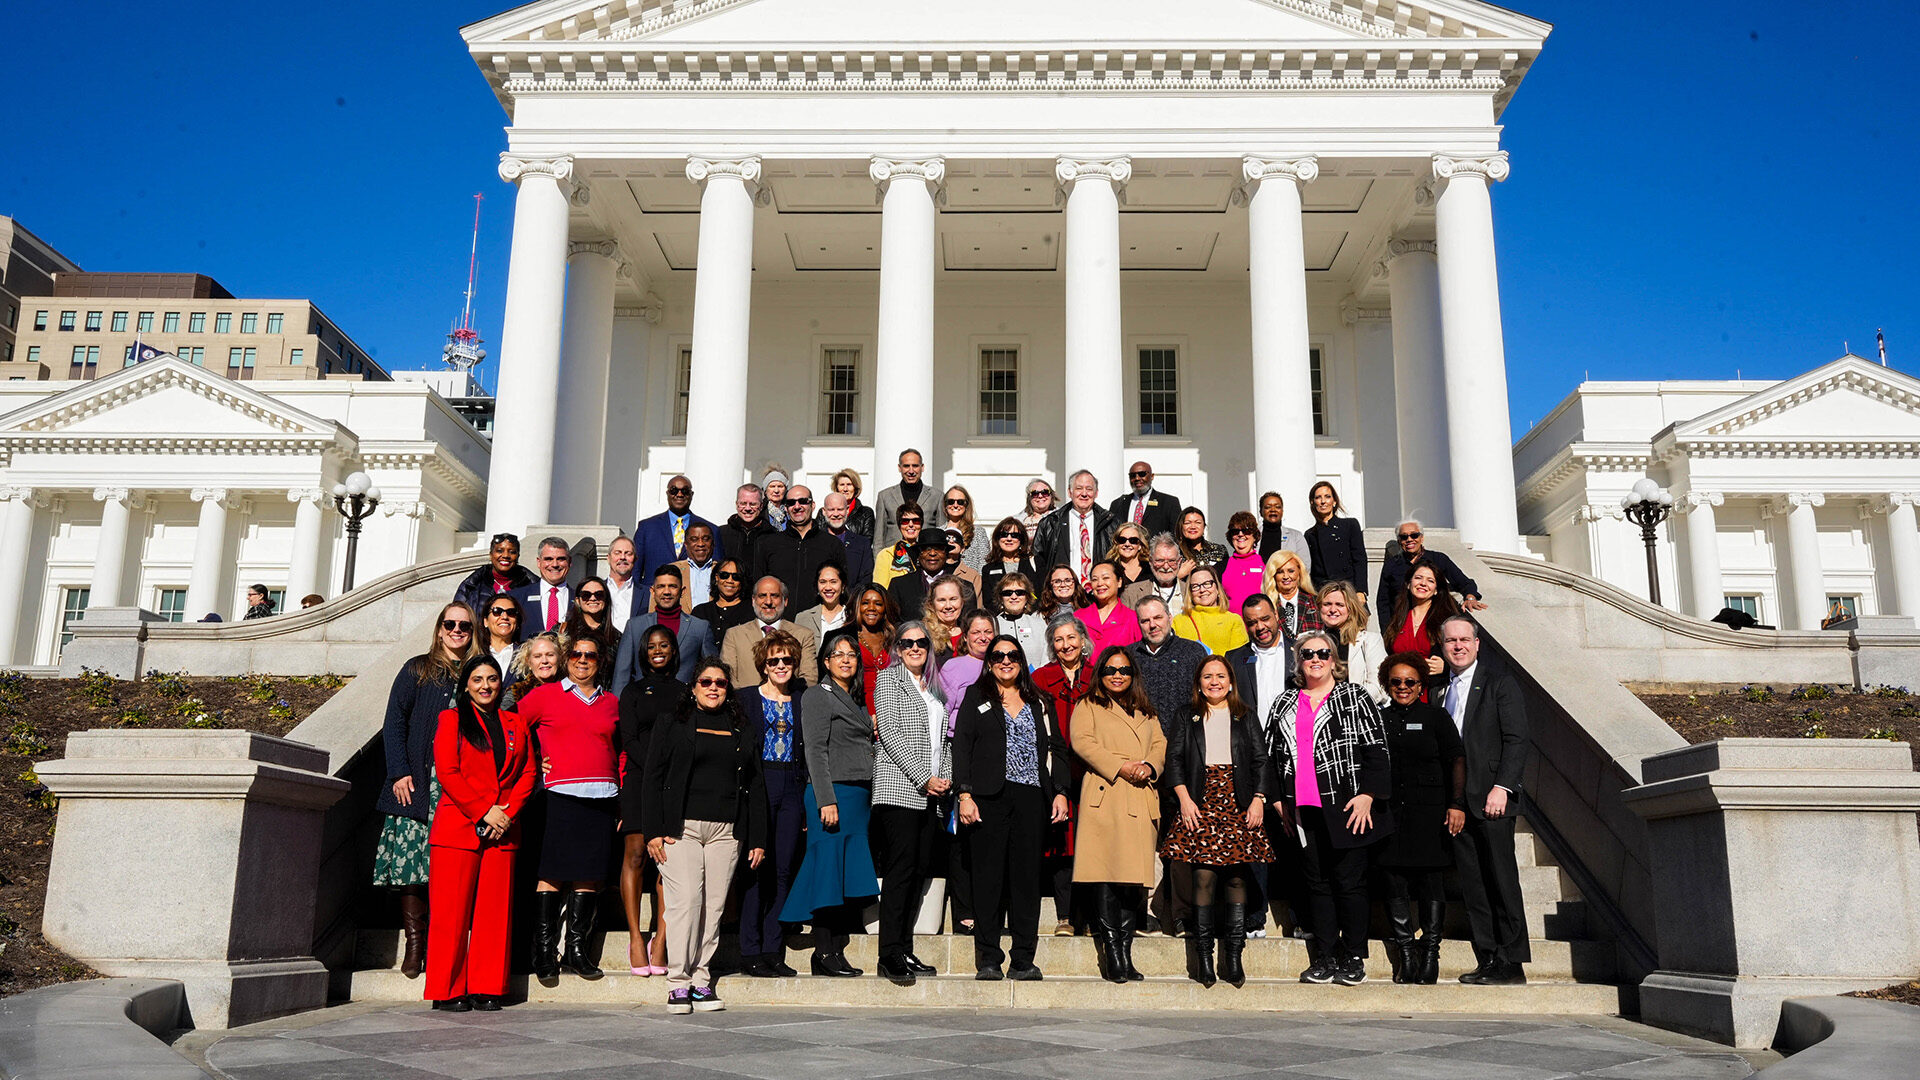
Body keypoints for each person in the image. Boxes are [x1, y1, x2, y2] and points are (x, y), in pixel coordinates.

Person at [1267, 630, 1392, 986]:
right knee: (1316, 884)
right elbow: (1271, 756)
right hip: (1302, 809)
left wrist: (1369, 794)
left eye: (1323, 653)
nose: (1315, 659)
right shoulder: (1284, 703)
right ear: (1298, 661)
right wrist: (1278, 800)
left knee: (1349, 883)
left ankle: (1353, 957)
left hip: (1348, 804)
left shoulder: (1353, 696)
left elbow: (1377, 748)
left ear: (1334, 659)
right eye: (1307, 654)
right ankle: (1324, 955)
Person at [643, 658, 768, 1014]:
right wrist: (653, 830)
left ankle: (701, 980)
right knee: (685, 906)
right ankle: (678, 984)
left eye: (720, 683)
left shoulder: (740, 727)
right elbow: (652, 777)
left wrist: (756, 837)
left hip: (726, 832)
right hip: (679, 830)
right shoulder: (673, 723)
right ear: (693, 687)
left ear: (728, 690)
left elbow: (755, 784)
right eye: (706, 682)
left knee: (713, 909)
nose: (713, 687)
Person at [953, 635, 1071, 980]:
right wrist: (964, 794)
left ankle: (1023, 958)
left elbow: (1057, 748)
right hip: (987, 799)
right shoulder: (976, 697)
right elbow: (962, 748)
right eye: (999, 655)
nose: (1006, 661)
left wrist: (1060, 791)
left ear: (1022, 661)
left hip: (1031, 798)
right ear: (989, 662)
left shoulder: (1040, 701)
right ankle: (988, 958)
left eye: (1013, 655)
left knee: (1025, 881)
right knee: (988, 880)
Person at [425, 654, 535, 1012]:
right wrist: (483, 810)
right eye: (477, 679)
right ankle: (447, 989)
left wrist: (505, 814)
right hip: (459, 827)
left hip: (502, 830)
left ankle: (488, 986)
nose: (485, 686)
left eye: (491, 679)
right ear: (466, 685)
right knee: (451, 915)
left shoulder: (515, 722)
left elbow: (529, 773)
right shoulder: (452, 719)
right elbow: (448, 771)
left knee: (494, 915)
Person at [374, 602, 478, 980]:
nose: (456, 630)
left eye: (464, 626)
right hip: (416, 782)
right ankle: (416, 943)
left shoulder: (476, 673)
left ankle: (445, 942)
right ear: (438, 629)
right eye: (449, 624)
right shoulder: (417, 669)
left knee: (448, 870)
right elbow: (394, 722)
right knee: (413, 869)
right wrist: (399, 771)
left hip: (457, 787)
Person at [1161, 655, 1272, 988]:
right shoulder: (1186, 715)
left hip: (1238, 800)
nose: (1214, 682)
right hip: (1199, 799)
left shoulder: (1245, 715)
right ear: (1198, 682)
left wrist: (1258, 800)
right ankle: (1204, 959)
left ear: (1230, 681)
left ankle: (1234, 959)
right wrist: (1184, 800)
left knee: (1237, 877)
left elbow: (1260, 761)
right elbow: (1175, 760)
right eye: (1207, 676)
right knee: (1204, 878)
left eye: (1220, 676)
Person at [516, 636, 621, 981]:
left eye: (590, 655)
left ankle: (577, 951)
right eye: (576, 653)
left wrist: (619, 783)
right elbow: (510, 730)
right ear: (567, 658)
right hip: (558, 795)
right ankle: (544, 951)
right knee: (552, 872)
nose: (582, 660)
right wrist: (532, 762)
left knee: (589, 874)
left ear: (599, 661)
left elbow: (620, 749)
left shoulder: (611, 702)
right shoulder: (544, 696)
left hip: (603, 796)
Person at [1435, 616, 1531, 986]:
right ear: (1442, 647)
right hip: (1457, 804)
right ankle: (1488, 956)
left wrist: (1503, 787)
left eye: (1464, 640)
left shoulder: (1499, 683)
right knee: (1473, 885)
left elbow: (1517, 739)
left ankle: (1513, 961)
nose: (1458, 646)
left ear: (1477, 644)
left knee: (1502, 881)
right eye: (1450, 641)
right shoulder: (1440, 689)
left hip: (1492, 800)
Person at [781, 631, 880, 977]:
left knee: (842, 877)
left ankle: (834, 951)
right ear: (825, 661)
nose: (846, 659)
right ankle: (823, 951)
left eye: (852, 654)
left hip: (857, 796)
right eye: (838, 654)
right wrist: (826, 799)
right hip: (832, 794)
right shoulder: (818, 695)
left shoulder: (853, 699)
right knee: (826, 874)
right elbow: (815, 750)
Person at [1070, 645, 1167, 984]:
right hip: (1106, 794)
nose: (1117, 675)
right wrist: (1121, 766)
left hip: (1140, 798)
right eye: (1111, 669)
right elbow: (1082, 742)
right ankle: (1112, 953)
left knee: (1132, 882)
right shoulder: (1089, 705)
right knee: (1107, 877)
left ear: (1133, 675)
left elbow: (1160, 745)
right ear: (1101, 673)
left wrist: (1150, 767)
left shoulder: (1147, 710)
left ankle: (1125, 952)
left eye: (1124, 670)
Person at [870, 620, 952, 984]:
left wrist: (945, 777)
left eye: (921, 643)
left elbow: (943, 741)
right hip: (899, 791)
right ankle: (888, 954)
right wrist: (924, 777)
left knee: (917, 871)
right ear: (898, 649)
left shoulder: (935, 688)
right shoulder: (889, 681)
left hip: (931, 796)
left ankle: (904, 947)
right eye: (907, 643)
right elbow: (889, 733)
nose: (915, 648)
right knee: (900, 874)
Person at [1377, 651, 1465, 985]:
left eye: (1410, 682)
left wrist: (1456, 804)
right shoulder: (1379, 718)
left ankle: (1430, 951)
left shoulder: (1436, 717)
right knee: (1393, 877)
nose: (1403, 687)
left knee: (1431, 879)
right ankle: (1406, 952)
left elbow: (1456, 759)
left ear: (1420, 685)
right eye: (1396, 681)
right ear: (1387, 683)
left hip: (1429, 812)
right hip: (1390, 813)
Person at [736, 631, 808, 978]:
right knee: (755, 868)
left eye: (787, 660)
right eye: (773, 661)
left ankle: (772, 949)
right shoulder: (745, 699)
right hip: (758, 785)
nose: (781, 666)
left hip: (791, 786)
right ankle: (749, 950)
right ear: (763, 665)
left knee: (782, 871)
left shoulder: (801, 698)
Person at [616, 626, 685, 977]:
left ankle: (661, 938)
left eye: (664, 646)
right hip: (640, 779)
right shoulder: (631, 691)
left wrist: (669, 773)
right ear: (644, 653)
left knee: (667, 861)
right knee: (636, 854)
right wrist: (655, 767)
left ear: (673, 650)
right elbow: (628, 738)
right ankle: (635, 938)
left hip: (673, 784)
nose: (658, 651)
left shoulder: (685, 691)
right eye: (652, 646)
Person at [1031, 613, 1094, 935]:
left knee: (1092, 842)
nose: (1066, 644)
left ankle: (1093, 915)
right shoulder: (1040, 678)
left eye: (1072, 638)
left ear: (1083, 640)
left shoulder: (1098, 676)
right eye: (1059, 639)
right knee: (1062, 843)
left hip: (1093, 771)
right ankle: (1066, 916)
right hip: (1056, 770)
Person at [613, 566, 717, 688]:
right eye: (661, 586)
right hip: (644, 700)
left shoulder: (700, 627)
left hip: (684, 702)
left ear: (682, 591)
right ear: (652, 591)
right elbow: (622, 674)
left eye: (672, 586)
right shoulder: (635, 626)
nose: (666, 592)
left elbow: (712, 671)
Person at [751, 485, 845, 612]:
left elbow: (843, 586)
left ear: (812, 505)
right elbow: (758, 587)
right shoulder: (768, 544)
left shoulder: (832, 544)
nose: (797, 506)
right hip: (779, 621)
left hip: (817, 622)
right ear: (786, 508)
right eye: (791, 503)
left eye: (803, 501)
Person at [720, 577, 819, 688]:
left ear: (785, 601)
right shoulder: (734, 635)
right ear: (753, 601)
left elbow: (809, 680)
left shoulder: (803, 635)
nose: (768, 602)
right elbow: (728, 677)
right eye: (762, 596)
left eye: (774, 596)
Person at [1387, 563, 1461, 700]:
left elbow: (1469, 655)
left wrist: (1446, 667)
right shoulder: (1398, 617)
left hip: (1432, 696)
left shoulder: (1447, 620)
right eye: (1418, 578)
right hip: (1400, 695)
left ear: (1436, 590)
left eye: (1430, 581)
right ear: (1409, 584)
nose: (1423, 583)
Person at [1377, 519, 1486, 611]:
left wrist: (1470, 598)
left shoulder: (1438, 559)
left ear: (1422, 538)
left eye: (1414, 535)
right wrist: (1387, 632)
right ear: (1399, 541)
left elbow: (1464, 583)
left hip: (1433, 623)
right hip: (1401, 625)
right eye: (1404, 537)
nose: (1409, 540)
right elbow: (1383, 601)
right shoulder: (1391, 565)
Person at [1033, 470, 1114, 584]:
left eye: (1089, 489)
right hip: (1063, 593)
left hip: (1099, 592)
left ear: (1096, 493)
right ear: (1069, 492)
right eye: (1079, 488)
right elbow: (1040, 562)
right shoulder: (1050, 523)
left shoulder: (1111, 523)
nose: (1084, 493)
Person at [635, 475, 721, 576]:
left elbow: (717, 570)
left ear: (691, 494)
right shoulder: (646, 527)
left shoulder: (711, 529)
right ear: (667, 493)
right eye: (674, 490)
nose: (679, 494)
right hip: (653, 590)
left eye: (685, 491)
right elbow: (635, 568)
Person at [1320, 581, 1387, 705]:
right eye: (1327, 604)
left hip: (1358, 710)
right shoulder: (1309, 640)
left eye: (1339, 605)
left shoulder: (1371, 640)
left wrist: (1348, 703)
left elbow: (1378, 685)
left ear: (1350, 609)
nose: (1332, 610)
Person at [1304, 481, 1367, 600]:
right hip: (1323, 593)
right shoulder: (1310, 534)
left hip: (1349, 590)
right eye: (1318, 497)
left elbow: (1359, 559)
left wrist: (1361, 590)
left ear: (1334, 502)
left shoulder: (1350, 525)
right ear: (1313, 503)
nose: (1323, 501)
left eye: (1327, 497)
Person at [873, 449, 942, 555]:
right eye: (906, 466)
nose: (911, 471)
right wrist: (879, 563)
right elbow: (878, 538)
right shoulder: (885, 496)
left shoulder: (937, 496)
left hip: (926, 559)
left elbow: (941, 534)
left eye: (915, 466)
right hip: (893, 560)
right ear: (899, 468)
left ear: (922, 467)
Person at [1174, 565, 1249, 657]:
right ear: (1190, 592)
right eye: (1195, 586)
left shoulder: (1233, 620)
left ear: (1217, 588)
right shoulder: (1178, 621)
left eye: (1207, 583)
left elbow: (1239, 660)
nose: (1202, 590)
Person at [453, 532, 535, 614]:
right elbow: (456, 618)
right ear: (491, 555)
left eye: (512, 552)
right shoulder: (470, 585)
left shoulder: (532, 585)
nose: (505, 555)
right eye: (499, 551)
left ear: (518, 556)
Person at [938, 610, 998, 723]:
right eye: (976, 632)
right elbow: (942, 711)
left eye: (988, 632)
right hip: (961, 736)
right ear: (965, 636)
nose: (983, 637)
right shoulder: (953, 667)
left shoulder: (1002, 665)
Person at [507, 537, 574, 634]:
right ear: (539, 562)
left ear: (569, 562)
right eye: (548, 559)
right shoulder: (516, 598)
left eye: (561, 559)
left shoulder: (581, 599)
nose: (555, 564)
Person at [1076, 561, 1141, 657]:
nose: (1099, 583)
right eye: (1094, 579)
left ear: (1119, 582)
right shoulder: (1079, 616)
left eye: (1105, 578)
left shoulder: (1132, 618)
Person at [1108, 461, 1182, 539]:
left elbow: (1177, 536)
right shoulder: (1118, 504)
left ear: (1152, 476)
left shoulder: (1169, 503)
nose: (1137, 478)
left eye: (1142, 474)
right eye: (1132, 475)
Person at [979, 517, 1039, 608]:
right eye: (1004, 534)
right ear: (997, 539)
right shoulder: (988, 569)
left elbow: (1039, 594)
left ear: (1021, 539)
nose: (1009, 539)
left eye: (1014, 535)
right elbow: (988, 601)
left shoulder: (1034, 563)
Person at [1121, 533, 1186, 616]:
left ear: (1179, 561)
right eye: (1160, 561)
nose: (1166, 566)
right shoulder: (1130, 593)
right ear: (1151, 561)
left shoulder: (1190, 591)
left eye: (1171, 561)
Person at [852, 584, 894, 712]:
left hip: (889, 706)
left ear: (885, 608)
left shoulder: (894, 638)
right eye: (865, 603)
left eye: (878, 604)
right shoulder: (847, 637)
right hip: (858, 706)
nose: (871, 608)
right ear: (858, 606)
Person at [819, 493, 875, 588]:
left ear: (847, 510)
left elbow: (865, 578)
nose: (836, 514)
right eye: (831, 509)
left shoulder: (862, 543)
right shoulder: (815, 541)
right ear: (824, 511)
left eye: (840, 509)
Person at [1264, 549, 1321, 641]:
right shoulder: (1266, 606)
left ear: (1299, 572)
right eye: (1280, 572)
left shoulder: (1315, 602)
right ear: (1273, 575)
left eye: (1291, 571)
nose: (1286, 576)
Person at [692, 557, 754, 640]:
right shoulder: (700, 612)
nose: (729, 580)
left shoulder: (752, 611)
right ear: (717, 577)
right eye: (724, 575)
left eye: (736, 577)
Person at [994, 573, 1047, 669]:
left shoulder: (1039, 624)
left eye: (1019, 592)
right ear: (1001, 598)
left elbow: (1047, 656)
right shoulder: (993, 625)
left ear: (1027, 597)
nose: (1014, 597)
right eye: (1007, 593)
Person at [720, 484, 776, 575]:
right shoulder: (721, 534)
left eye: (753, 504)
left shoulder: (773, 536)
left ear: (761, 506)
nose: (747, 508)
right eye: (743, 503)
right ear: (736, 505)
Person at [1256, 491, 1313, 579]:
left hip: (1287, 587)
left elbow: (1305, 567)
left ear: (1282, 511)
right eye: (1267, 507)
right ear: (1261, 512)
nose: (1273, 510)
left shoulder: (1296, 537)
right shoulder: (1253, 536)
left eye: (1278, 507)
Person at [669, 523, 721, 619]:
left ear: (713, 544)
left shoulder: (723, 571)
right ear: (686, 545)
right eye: (694, 539)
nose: (700, 544)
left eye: (706, 539)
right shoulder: (672, 570)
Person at [561, 576, 620, 660]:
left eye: (599, 594)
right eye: (586, 595)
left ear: (606, 599)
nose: (593, 598)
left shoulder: (617, 638)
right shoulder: (563, 631)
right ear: (578, 600)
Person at [1221, 512, 1267, 614]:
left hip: (1260, 626)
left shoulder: (1266, 563)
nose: (1240, 534)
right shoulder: (1221, 566)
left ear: (1255, 535)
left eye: (1246, 530)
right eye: (1235, 531)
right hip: (1232, 627)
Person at [873, 504, 928, 590]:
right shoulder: (886, 555)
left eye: (916, 521)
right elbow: (880, 590)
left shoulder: (927, 553)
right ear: (899, 525)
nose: (911, 525)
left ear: (921, 524)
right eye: (905, 521)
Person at [503, 632, 563, 710]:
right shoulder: (517, 692)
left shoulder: (572, 690)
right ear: (529, 662)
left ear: (559, 658)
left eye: (550, 655)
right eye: (537, 656)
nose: (544, 661)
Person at [795, 562, 852, 642]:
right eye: (823, 582)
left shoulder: (852, 617)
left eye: (833, 582)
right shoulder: (802, 618)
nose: (828, 587)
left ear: (843, 586)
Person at [939, 485, 991, 571]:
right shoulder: (938, 531)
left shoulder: (978, 532)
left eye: (960, 502)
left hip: (971, 581)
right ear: (945, 505)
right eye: (951, 501)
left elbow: (984, 563)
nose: (955, 505)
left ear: (966, 505)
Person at [922, 577, 968, 659]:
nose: (948, 606)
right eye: (941, 600)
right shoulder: (924, 635)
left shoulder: (970, 633)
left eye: (953, 599)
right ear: (932, 604)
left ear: (962, 602)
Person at [1178, 508, 1228, 581]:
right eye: (1187, 523)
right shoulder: (1175, 553)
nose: (1193, 527)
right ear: (1181, 526)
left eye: (1198, 522)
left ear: (1204, 526)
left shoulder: (1220, 550)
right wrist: (1179, 575)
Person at [937, 527, 985, 601]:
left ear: (962, 549)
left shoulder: (973, 575)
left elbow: (977, 605)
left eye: (956, 539)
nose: (951, 542)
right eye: (947, 539)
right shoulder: (933, 570)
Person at [828, 467, 876, 539]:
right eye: (842, 485)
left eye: (849, 484)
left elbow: (867, 541)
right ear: (837, 488)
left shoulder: (866, 513)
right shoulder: (825, 513)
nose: (845, 489)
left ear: (855, 487)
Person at [605, 537, 641, 632]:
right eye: (617, 553)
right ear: (608, 558)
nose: (622, 557)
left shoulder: (647, 594)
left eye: (628, 554)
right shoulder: (597, 590)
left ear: (635, 559)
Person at [1105, 523, 1152, 590]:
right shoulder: (1110, 569)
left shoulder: (1150, 568)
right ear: (1117, 544)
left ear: (1140, 545)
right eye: (1122, 540)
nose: (1127, 544)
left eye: (1133, 540)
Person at [482, 595, 523, 672]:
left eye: (511, 612)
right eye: (497, 611)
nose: (504, 617)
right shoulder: (475, 652)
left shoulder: (526, 655)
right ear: (485, 621)